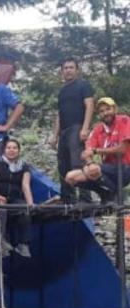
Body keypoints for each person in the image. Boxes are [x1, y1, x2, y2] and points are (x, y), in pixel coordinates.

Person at [64, 97, 130, 202]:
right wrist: (90, 163)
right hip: (107, 170)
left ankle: (113, 192)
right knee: (70, 177)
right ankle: (105, 193)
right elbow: (86, 152)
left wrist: (96, 151)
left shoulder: (124, 120)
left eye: (108, 109)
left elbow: (122, 149)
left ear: (114, 109)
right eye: (101, 111)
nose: (105, 113)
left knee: (94, 169)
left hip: (125, 168)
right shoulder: (98, 129)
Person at [52, 57, 95, 203]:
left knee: (77, 163)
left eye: (71, 67)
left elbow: (90, 105)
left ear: (77, 70)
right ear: (62, 71)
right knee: (63, 165)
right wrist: (54, 135)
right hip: (64, 131)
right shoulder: (62, 91)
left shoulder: (83, 85)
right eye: (65, 68)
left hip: (77, 127)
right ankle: (67, 199)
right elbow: (59, 114)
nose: (68, 70)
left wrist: (85, 128)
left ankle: (85, 199)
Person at [0, 138, 34, 258]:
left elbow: (25, 185)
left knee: (25, 211)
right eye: (9, 148)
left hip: (15, 198)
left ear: (19, 150)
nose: (11, 150)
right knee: (0, 211)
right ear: (4, 150)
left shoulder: (24, 166)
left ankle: (23, 244)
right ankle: (1, 242)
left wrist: (30, 203)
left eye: (14, 148)